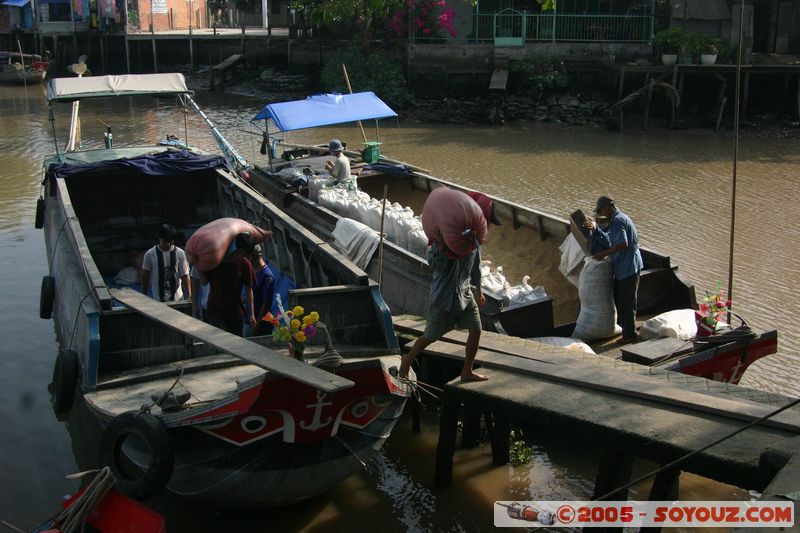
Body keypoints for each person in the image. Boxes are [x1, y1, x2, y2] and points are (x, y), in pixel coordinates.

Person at [398, 240, 489, 383]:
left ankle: (467, 371)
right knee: (430, 336)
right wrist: (443, 248)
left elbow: (476, 269)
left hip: (464, 294)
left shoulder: (473, 242)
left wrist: (479, 291)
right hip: (443, 297)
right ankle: (407, 359)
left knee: (476, 329)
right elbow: (435, 265)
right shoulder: (443, 241)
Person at [584, 195, 643, 341]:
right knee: (622, 300)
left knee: (626, 303)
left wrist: (602, 254)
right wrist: (596, 228)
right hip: (624, 267)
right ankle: (628, 332)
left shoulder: (618, 221)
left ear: (607, 207)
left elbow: (622, 244)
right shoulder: (617, 219)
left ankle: (630, 335)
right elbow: (612, 239)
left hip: (629, 267)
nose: (602, 214)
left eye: (602, 210)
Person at [200, 232, 257, 336]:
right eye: (241, 253)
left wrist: (251, 314)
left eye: (244, 254)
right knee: (220, 343)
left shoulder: (244, 264)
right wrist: (198, 266)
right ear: (236, 248)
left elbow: (249, 289)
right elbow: (204, 281)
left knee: (237, 346)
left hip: (235, 312)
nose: (241, 256)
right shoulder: (216, 260)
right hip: (216, 311)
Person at [141, 224, 191, 303]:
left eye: (170, 241)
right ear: (160, 239)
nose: (168, 244)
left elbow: (185, 276)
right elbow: (145, 276)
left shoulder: (180, 253)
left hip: (177, 301)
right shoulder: (150, 254)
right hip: (158, 302)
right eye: (165, 241)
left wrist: (189, 296)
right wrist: (143, 295)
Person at [245, 244, 276, 336]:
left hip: (260, 325)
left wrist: (258, 325)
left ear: (253, 257)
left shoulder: (267, 276)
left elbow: (266, 303)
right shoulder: (254, 271)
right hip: (250, 321)